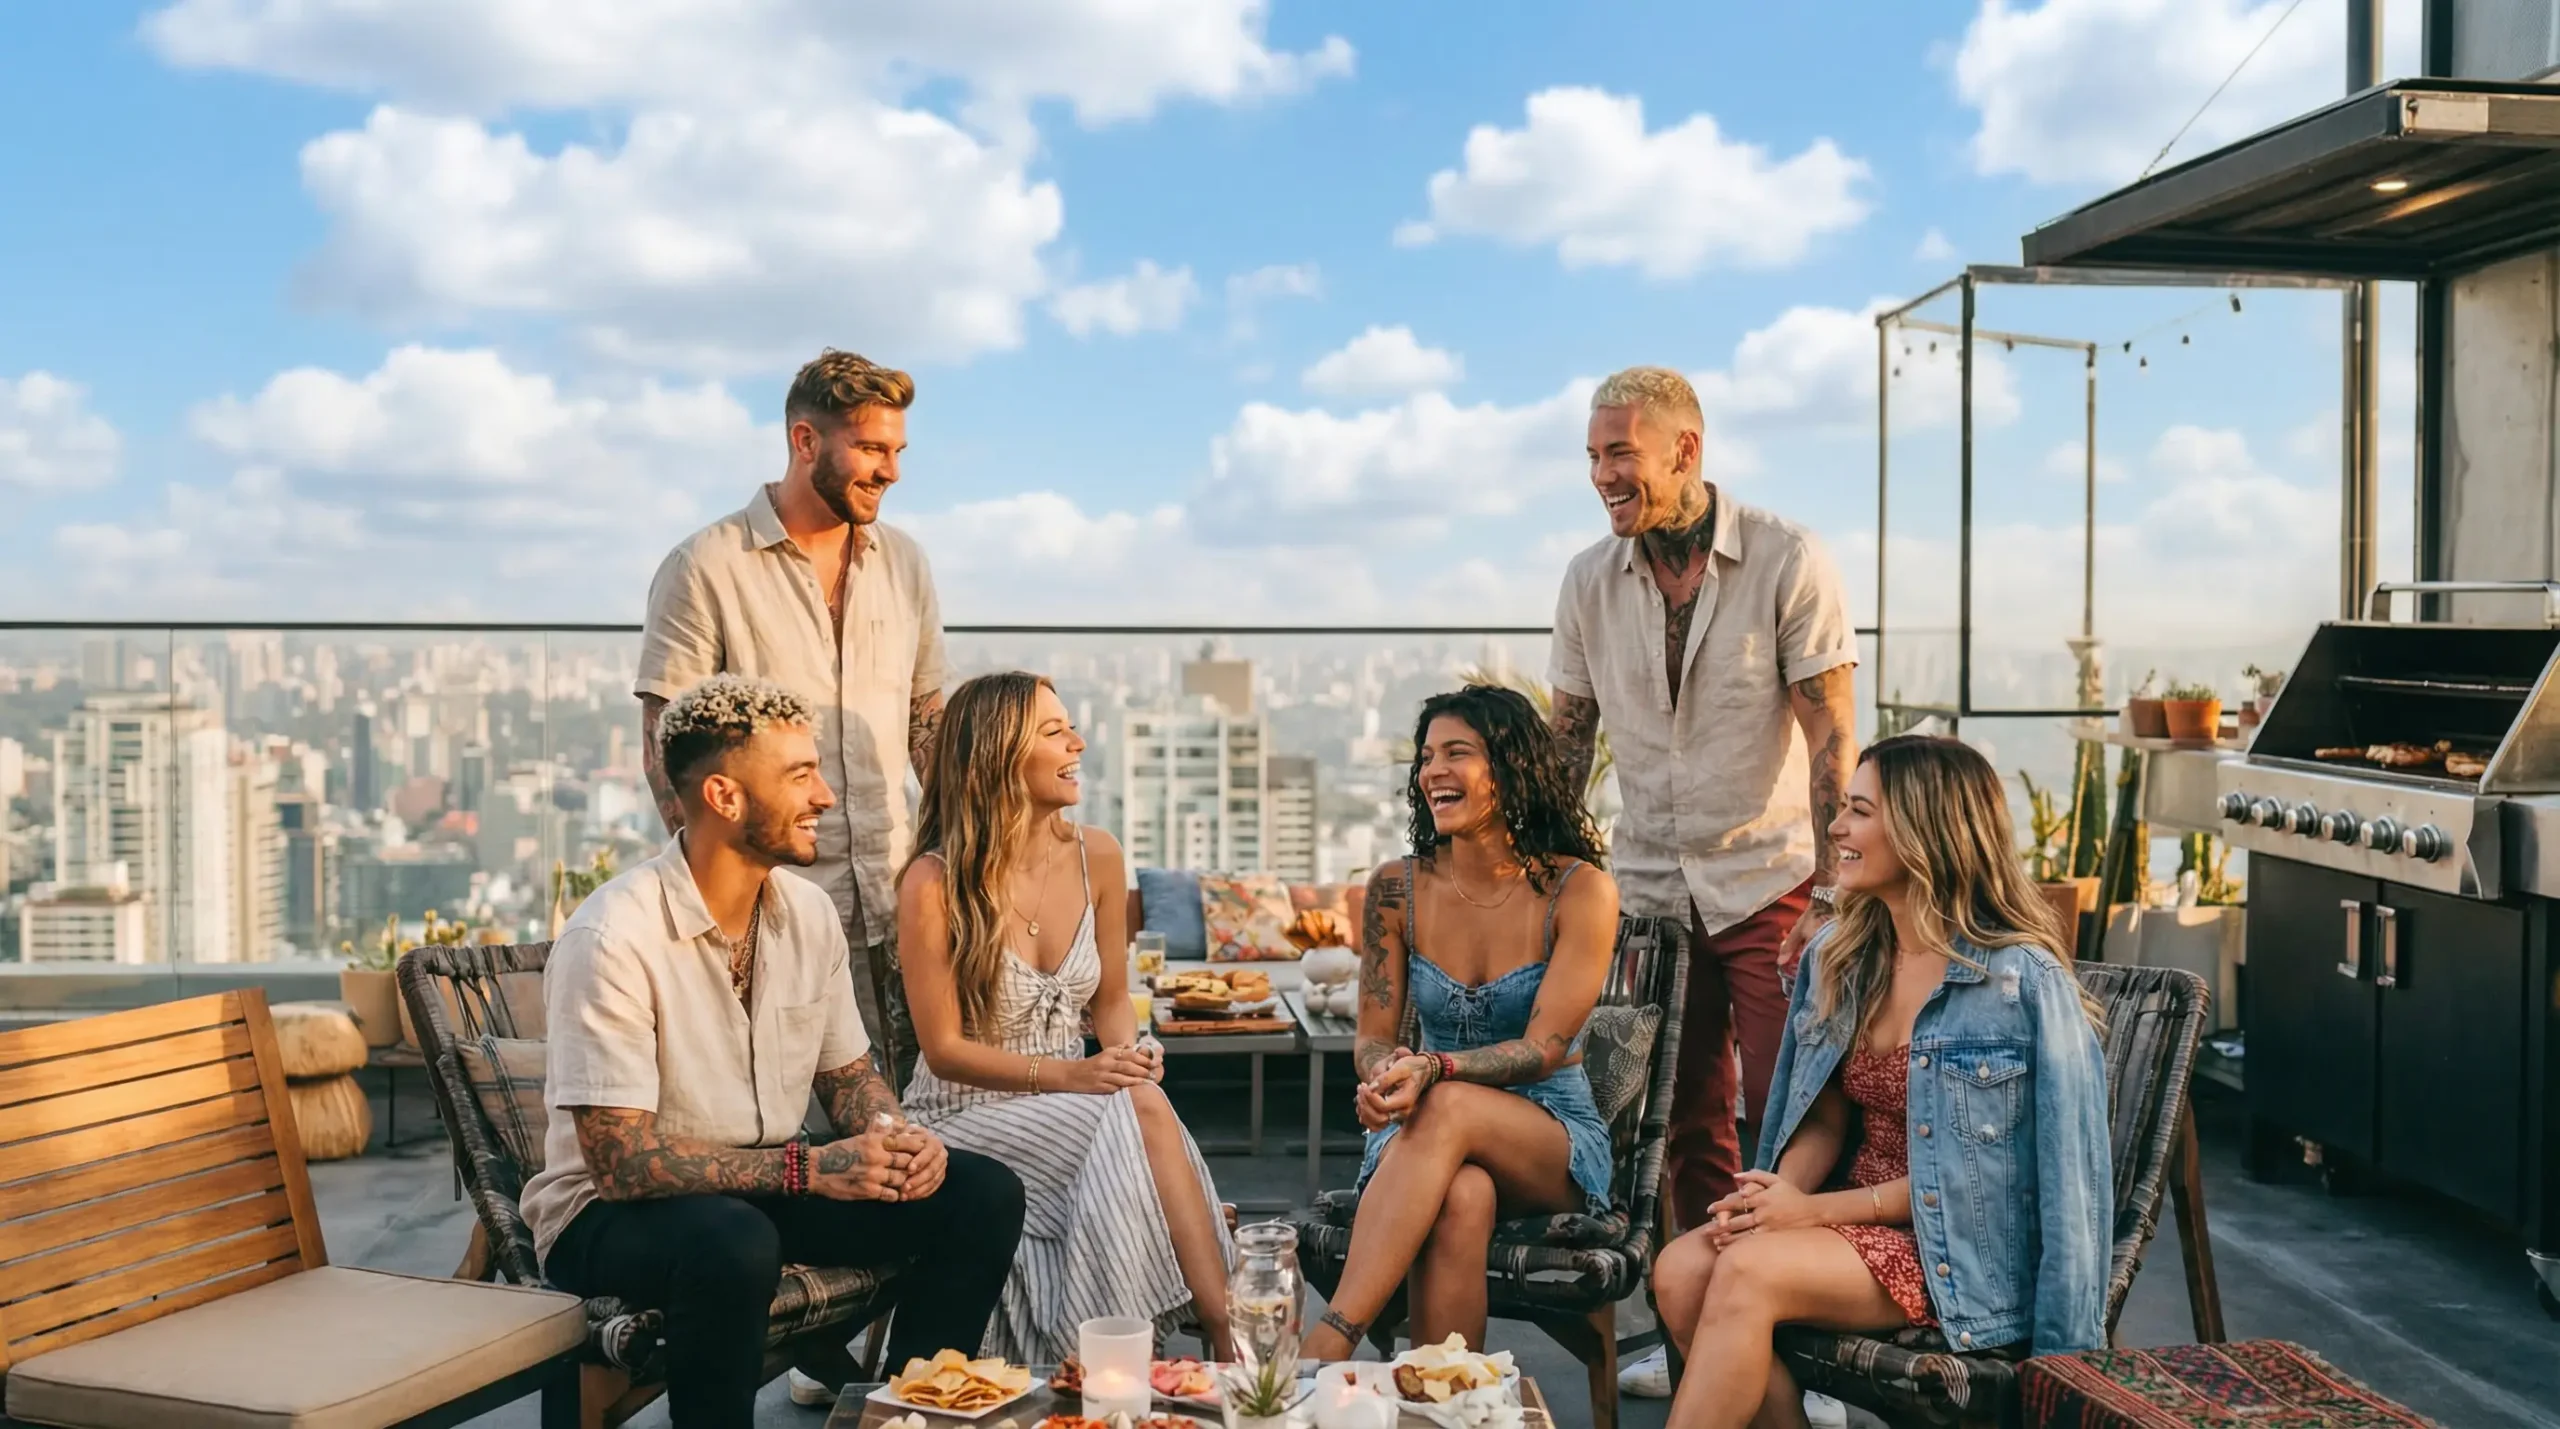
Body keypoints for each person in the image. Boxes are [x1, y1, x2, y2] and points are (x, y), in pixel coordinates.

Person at [525, 675, 1024, 1429]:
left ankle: (909, 1417)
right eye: (800, 775)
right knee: (733, 1241)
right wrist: (810, 1169)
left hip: (759, 1190)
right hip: (609, 1217)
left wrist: (899, 1139)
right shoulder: (612, 937)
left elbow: (849, 1077)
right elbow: (621, 1163)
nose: (825, 795)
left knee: (980, 1193)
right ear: (725, 796)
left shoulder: (808, 915)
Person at [1546, 367, 1858, 1402]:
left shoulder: (1786, 558)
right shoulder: (1588, 582)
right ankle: (1703, 1343)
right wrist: (1549, 884)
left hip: (1771, 884)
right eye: (1593, 455)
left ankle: (1801, 1353)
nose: (1603, 474)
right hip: (1646, 890)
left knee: (1788, 1116)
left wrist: (1833, 896)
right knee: (1681, 1129)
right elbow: (1566, 743)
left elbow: (1832, 736)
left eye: (1620, 453)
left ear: (1685, 449)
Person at [1649, 735, 2112, 1429]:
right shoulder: (1844, 956)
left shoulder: (2022, 983)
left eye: (1859, 811)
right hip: (1846, 1220)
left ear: (1927, 830)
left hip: (1958, 1249)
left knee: (1748, 1272)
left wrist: (2066, 1367)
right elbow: (1826, 1116)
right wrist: (1778, 1197)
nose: (1836, 828)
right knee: (1680, 1269)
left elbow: (2059, 1180)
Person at [897, 671, 1236, 1363]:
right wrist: (1076, 1076)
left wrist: (1128, 1052)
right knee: (1138, 1117)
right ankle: (1224, 1334)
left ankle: (1138, 1354)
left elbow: (1110, 1001)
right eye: (1054, 732)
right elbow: (943, 1049)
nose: (1078, 742)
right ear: (997, 756)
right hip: (962, 1111)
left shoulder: (1098, 855)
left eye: (1071, 726)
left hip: (1074, 1100)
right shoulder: (932, 881)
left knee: (1137, 1101)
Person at [636, 347, 946, 1065]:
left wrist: (956, 856)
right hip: (773, 916)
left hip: (897, 903)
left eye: (898, 451)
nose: (891, 471)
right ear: (805, 441)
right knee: (787, 1113)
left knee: (908, 1109)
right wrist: (722, 915)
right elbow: (668, 754)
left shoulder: (906, 563)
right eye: (870, 449)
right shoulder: (704, 567)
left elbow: (926, 715)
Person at [1302, 685, 1621, 1360]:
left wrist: (1434, 1068)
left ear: (1511, 768)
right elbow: (1373, 1036)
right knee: (1463, 1194)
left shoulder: (1581, 890)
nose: (1433, 771)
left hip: (1547, 1135)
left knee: (1447, 1104)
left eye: (1457, 753)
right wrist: (1384, 1074)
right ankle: (1441, 1391)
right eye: (1425, 757)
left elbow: (1545, 1047)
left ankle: (1327, 1343)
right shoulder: (1396, 888)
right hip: (1420, 1127)